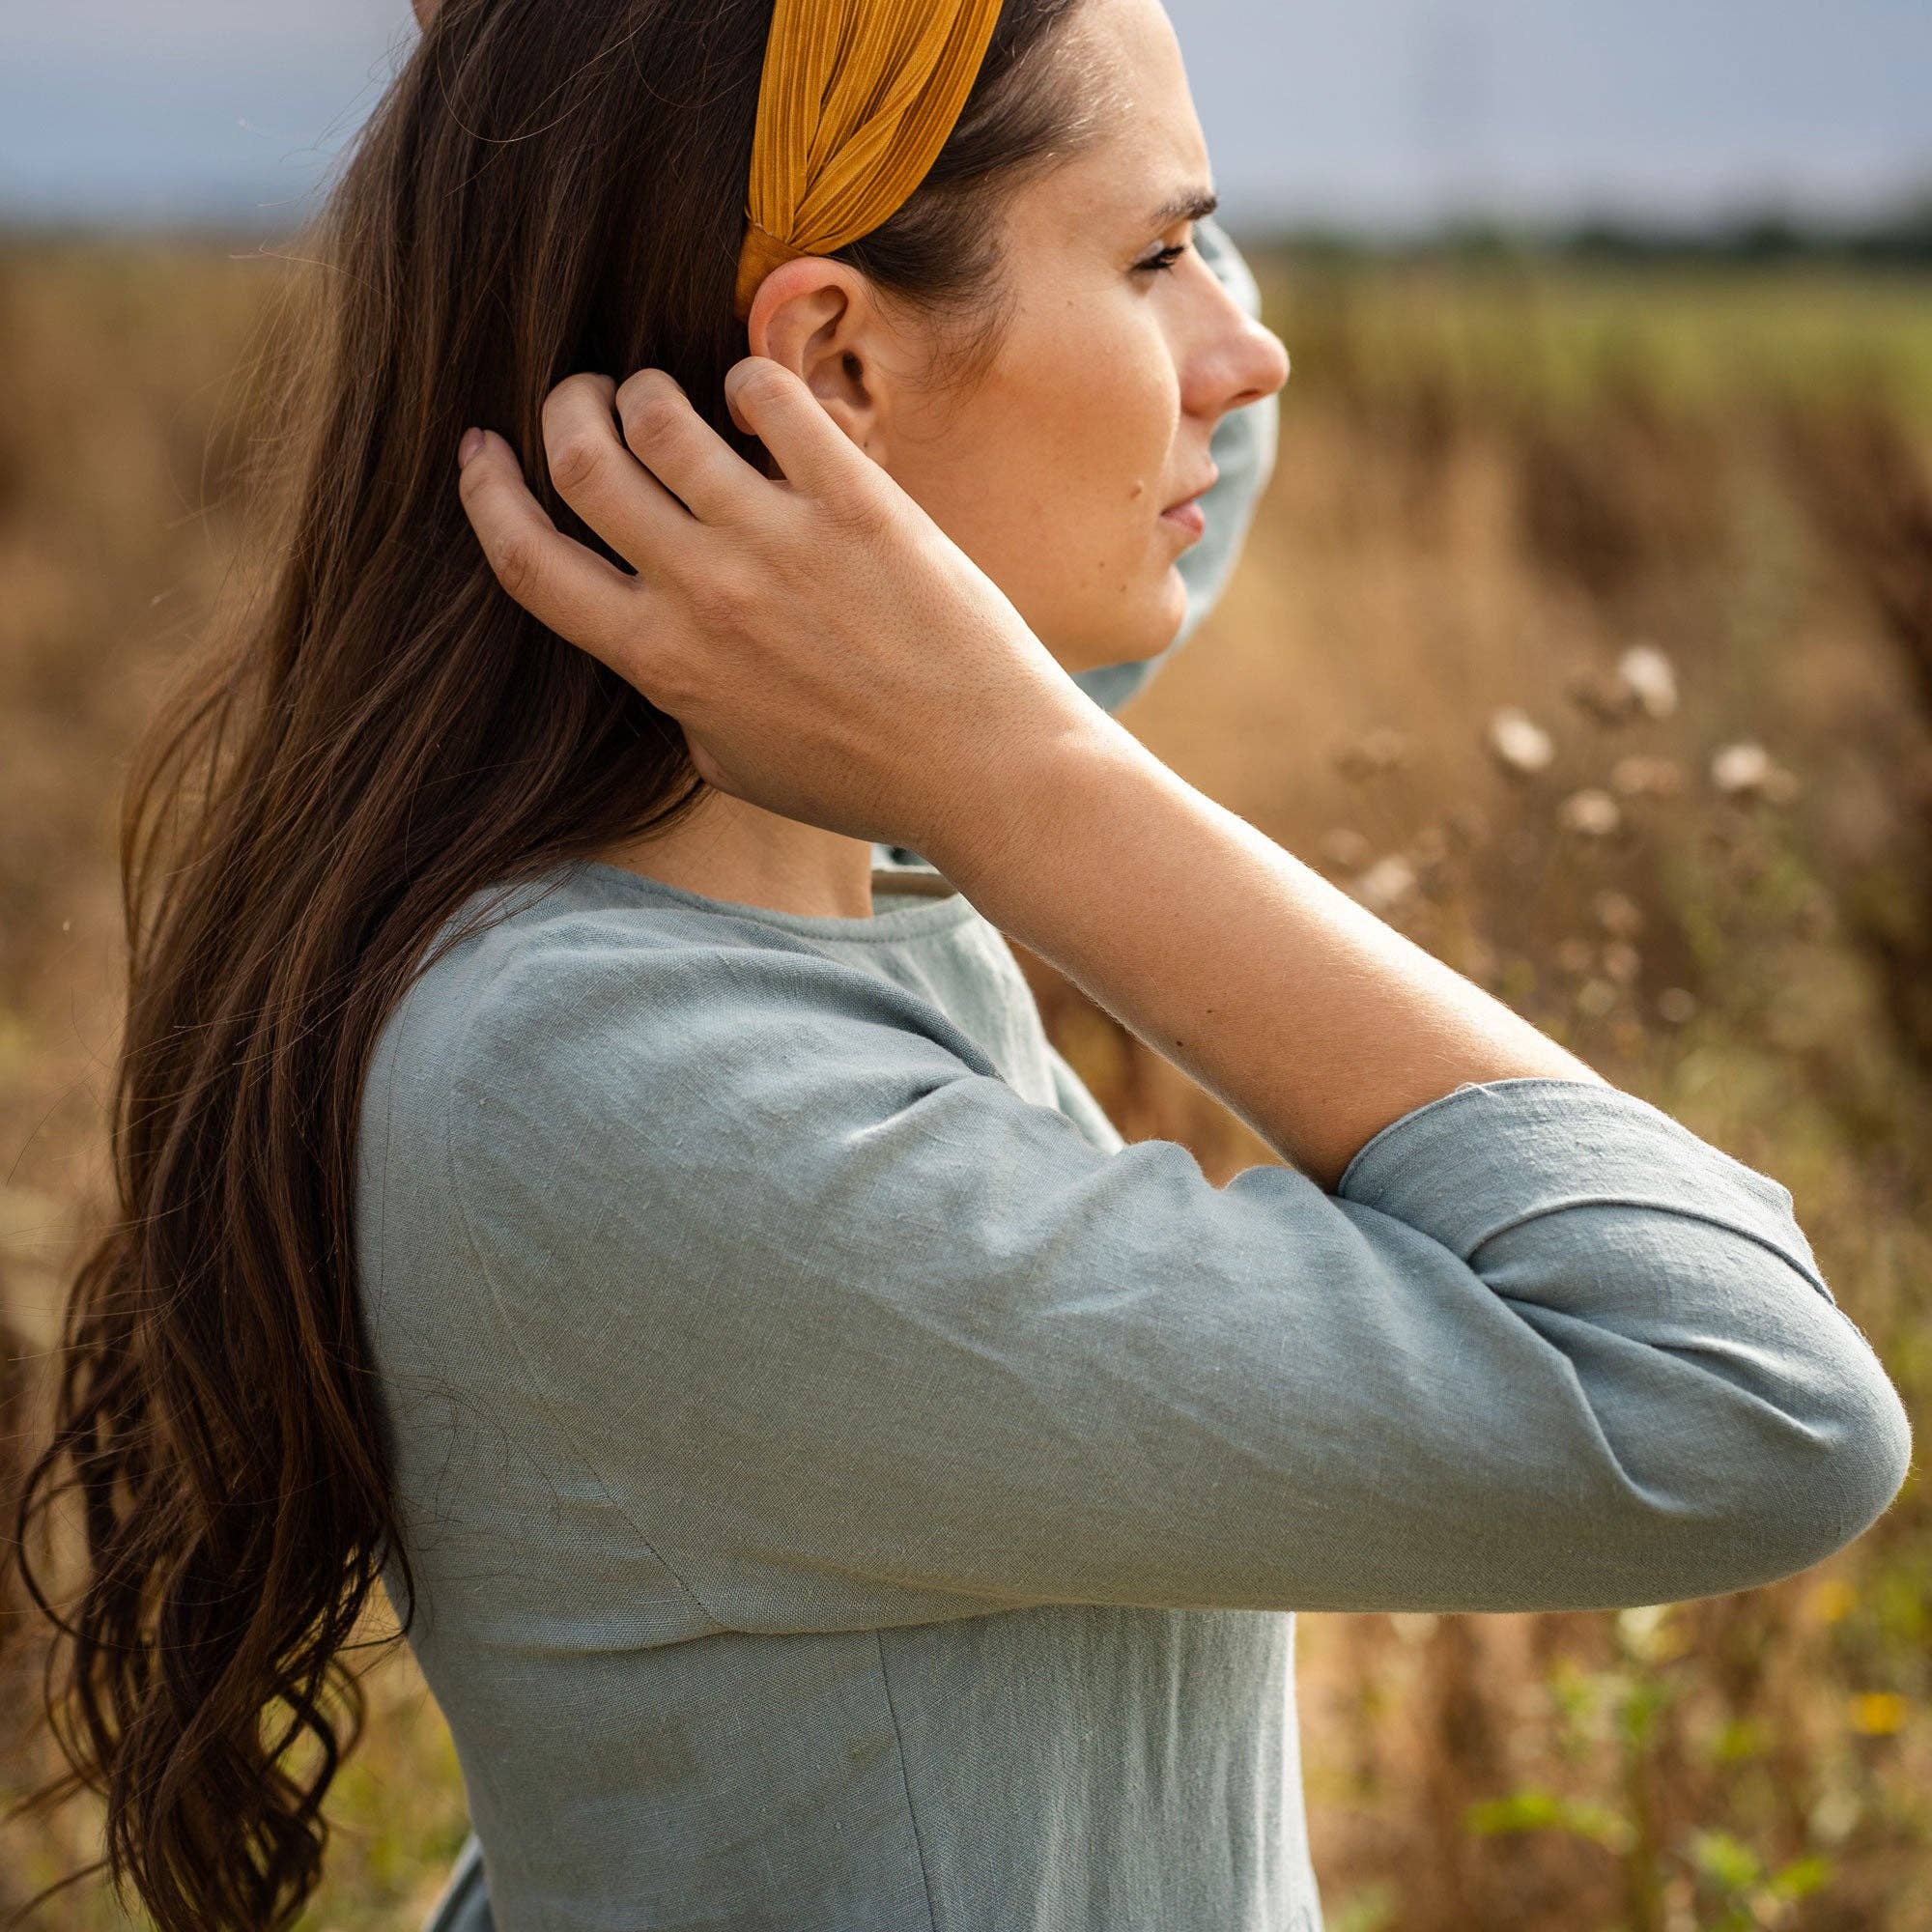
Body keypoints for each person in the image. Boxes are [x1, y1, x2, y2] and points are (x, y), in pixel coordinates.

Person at [13, 3, 1910, 1931]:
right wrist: (1023, 774)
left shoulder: (779, 838)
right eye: (1161, 259)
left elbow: (1144, 393)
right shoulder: (630, 1085)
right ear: (831, 358)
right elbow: (1740, 1404)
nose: (1243, 357)